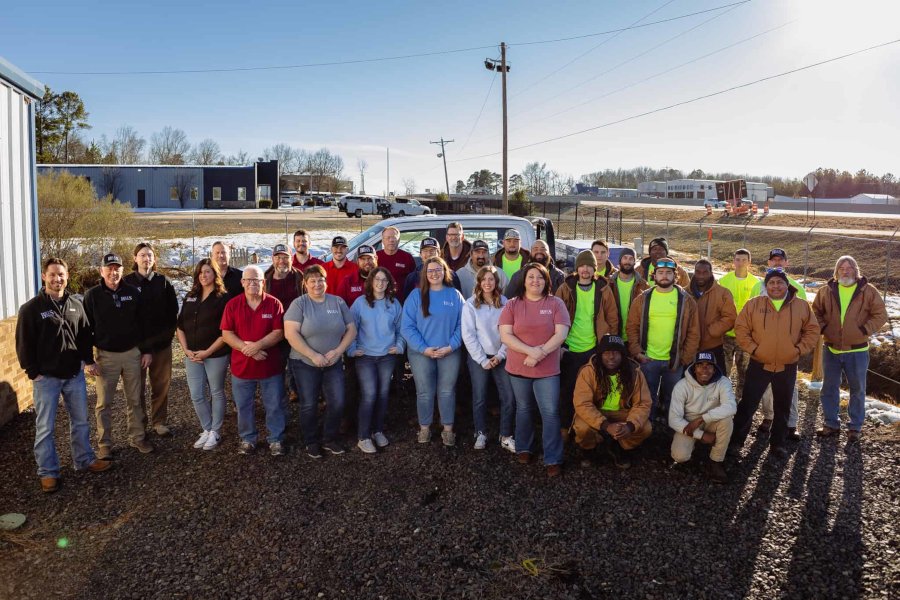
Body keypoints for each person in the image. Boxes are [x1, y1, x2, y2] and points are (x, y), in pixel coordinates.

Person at [15, 258, 111, 493]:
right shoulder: (32, 308)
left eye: (61, 275)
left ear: (67, 276)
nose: (57, 279)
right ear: (44, 277)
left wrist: (87, 361)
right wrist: (32, 372)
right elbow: (23, 342)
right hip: (46, 378)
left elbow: (84, 335)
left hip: (73, 376)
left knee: (80, 421)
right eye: (53, 275)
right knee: (45, 427)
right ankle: (48, 472)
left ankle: (84, 460)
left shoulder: (76, 304)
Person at [728, 268, 819, 460]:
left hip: (787, 365)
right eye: (771, 283)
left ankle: (777, 443)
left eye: (780, 282)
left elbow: (812, 331)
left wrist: (798, 350)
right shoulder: (754, 304)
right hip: (759, 363)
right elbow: (741, 328)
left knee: (783, 405)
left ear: (787, 285)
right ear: (766, 285)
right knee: (748, 404)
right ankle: (736, 441)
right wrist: (753, 349)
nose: (775, 286)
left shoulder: (801, 306)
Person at [499, 263, 571, 477]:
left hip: (547, 370)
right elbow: (506, 335)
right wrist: (531, 351)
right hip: (518, 368)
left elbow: (561, 334)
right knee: (524, 408)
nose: (535, 281)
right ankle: (524, 447)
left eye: (540, 277)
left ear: (546, 280)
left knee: (549, 412)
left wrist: (540, 353)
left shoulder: (556, 303)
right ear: (524, 280)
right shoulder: (512, 304)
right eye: (531, 277)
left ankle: (553, 457)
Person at [83, 253, 154, 458]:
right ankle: (105, 444)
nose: (113, 272)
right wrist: (88, 360)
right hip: (106, 357)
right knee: (104, 403)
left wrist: (146, 350)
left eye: (117, 268)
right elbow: (85, 330)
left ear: (123, 270)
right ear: (101, 271)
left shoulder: (133, 292)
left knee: (135, 400)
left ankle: (138, 437)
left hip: (132, 354)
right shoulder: (92, 296)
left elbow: (143, 324)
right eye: (109, 268)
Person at [284, 265, 357, 458]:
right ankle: (311, 441)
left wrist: (338, 351)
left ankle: (329, 438)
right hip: (305, 363)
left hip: (332, 362)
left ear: (326, 282)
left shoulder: (337, 302)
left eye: (321, 280)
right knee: (309, 403)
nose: (317, 284)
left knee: (338, 401)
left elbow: (351, 329)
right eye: (313, 281)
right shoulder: (299, 304)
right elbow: (291, 334)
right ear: (305, 284)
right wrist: (313, 355)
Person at [812, 255, 887, 442]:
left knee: (857, 389)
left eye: (849, 268)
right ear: (836, 272)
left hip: (857, 351)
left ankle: (855, 427)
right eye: (841, 268)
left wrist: (864, 330)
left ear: (856, 270)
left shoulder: (868, 291)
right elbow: (816, 312)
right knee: (829, 388)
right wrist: (824, 328)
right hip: (831, 349)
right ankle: (831, 423)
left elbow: (880, 314)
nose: (845, 271)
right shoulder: (825, 291)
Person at [220, 265, 287, 456]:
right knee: (243, 407)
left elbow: (279, 332)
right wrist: (247, 349)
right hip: (242, 368)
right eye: (248, 280)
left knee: (274, 405)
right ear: (242, 283)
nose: (252, 283)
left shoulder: (274, 304)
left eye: (256, 280)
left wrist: (257, 346)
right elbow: (226, 334)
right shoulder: (232, 305)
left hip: (270, 367)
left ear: (263, 283)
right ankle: (248, 439)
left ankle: (276, 439)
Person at [401, 257, 465, 447]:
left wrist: (451, 346)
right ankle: (425, 428)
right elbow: (407, 327)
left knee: (446, 391)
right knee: (424, 392)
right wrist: (424, 348)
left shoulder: (454, 295)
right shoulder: (415, 296)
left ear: (445, 272)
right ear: (425, 274)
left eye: (438, 270)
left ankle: (447, 429)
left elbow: (464, 324)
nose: (434, 274)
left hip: (449, 351)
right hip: (421, 353)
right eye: (430, 271)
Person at [626, 258, 700, 420]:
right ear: (654, 275)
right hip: (648, 359)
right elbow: (631, 327)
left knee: (672, 397)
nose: (664, 276)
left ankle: (670, 428)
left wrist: (684, 358)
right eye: (660, 273)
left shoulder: (687, 301)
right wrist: (637, 352)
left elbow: (694, 333)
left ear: (676, 276)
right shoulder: (643, 299)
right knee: (647, 397)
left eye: (668, 273)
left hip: (674, 361)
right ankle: (648, 426)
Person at [555, 250, 619, 438]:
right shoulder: (566, 287)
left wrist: (607, 345)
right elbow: (556, 315)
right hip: (570, 348)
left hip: (593, 347)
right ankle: (565, 426)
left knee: (593, 390)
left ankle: (590, 427)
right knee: (567, 389)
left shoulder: (603, 288)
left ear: (594, 268)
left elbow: (612, 318)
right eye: (582, 266)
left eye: (589, 266)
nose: (585, 269)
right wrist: (559, 344)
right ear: (577, 268)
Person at [572, 334, 651, 470]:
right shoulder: (589, 371)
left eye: (616, 352)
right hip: (597, 410)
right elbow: (582, 403)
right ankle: (589, 450)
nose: (611, 357)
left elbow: (643, 403)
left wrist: (630, 426)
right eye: (606, 352)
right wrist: (605, 425)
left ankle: (621, 446)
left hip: (623, 412)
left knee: (645, 428)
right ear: (600, 354)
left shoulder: (634, 372)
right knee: (582, 427)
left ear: (623, 355)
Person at [124, 242, 179, 437]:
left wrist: (166, 338)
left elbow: (173, 314)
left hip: (161, 346)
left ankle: (159, 421)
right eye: (142, 255)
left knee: (161, 385)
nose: (146, 258)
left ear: (154, 259)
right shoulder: (127, 283)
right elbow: (124, 318)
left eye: (149, 255)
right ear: (135, 258)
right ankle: (139, 426)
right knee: (136, 389)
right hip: (135, 348)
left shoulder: (163, 282)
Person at [348, 267, 405, 453]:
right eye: (377, 279)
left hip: (386, 356)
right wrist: (351, 349)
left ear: (388, 284)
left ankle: (378, 430)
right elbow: (351, 328)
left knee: (382, 394)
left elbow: (401, 328)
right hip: (365, 357)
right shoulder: (360, 303)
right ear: (371, 281)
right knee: (370, 394)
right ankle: (363, 436)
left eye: (384, 280)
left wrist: (399, 345)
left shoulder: (393, 303)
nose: (380, 283)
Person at [752, 248, 808, 438]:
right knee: (766, 386)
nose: (777, 263)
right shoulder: (757, 287)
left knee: (789, 388)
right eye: (773, 260)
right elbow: (749, 316)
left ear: (786, 263)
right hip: (764, 347)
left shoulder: (797, 288)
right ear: (768, 263)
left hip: (787, 349)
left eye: (780, 260)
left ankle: (790, 423)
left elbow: (805, 319)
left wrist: (797, 347)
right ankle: (769, 417)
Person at [176, 259, 230, 451]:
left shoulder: (223, 298)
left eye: (207, 272)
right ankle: (206, 429)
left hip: (215, 354)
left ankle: (216, 431)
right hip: (192, 356)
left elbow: (226, 332)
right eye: (200, 272)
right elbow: (180, 326)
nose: (203, 275)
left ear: (215, 274)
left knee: (216, 392)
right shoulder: (190, 296)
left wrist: (208, 352)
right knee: (197, 394)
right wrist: (186, 350)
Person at [462, 265, 515, 452]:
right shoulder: (470, 304)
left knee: (508, 397)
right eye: (483, 279)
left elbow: (510, 332)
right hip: (479, 358)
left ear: (496, 282)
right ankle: (481, 432)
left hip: (502, 356)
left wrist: (500, 355)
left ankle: (506, 435)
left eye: (491, 279)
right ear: (478, 282)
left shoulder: (506, 303)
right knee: (480, 397)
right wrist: (483, 359)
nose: (487, 283)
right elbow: (468, 335)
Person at [668, 351, 736, 483]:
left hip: (711, 421)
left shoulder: (723, 382)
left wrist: (702, 419)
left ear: (715, 368)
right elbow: (673, 419)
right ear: (694, 368)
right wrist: (701, 435)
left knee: (727, 420)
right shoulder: (682, 385)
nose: (704, 369)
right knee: (679, 456)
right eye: (700, 365)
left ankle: (716, 461)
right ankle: (695, 444)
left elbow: (731, 407)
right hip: (689, 424)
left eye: (709, 365)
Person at [717, 249, 760, 396]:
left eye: (744, 260)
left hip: (745, 335)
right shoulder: (724, 281)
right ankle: (723, 399)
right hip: (727, 334)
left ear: (749, 262)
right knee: (724, 371)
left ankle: (740, 401)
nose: (740, 263)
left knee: (745, 372)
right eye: (737, 259)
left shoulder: (756, 283)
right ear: (733, 261)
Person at [265, 243, 304, 403]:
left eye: (285, 257)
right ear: (273, 259)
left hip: (296, 329)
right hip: (274, 331)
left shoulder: (300, 277)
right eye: (278, 257)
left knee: (298, 366)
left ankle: (298, 393)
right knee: (276, 369)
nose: (282, 261)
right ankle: (278, 400)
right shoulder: (264, 280)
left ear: (291, 258)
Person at [688, 259, 737, 373]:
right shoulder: (685, 292)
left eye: (705, 272)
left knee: (716, 379)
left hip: (713, 346)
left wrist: (712, 331)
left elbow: (730, 317)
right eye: (698, 272)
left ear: (711, 273)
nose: (701, 276)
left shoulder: (723, 293)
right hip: (690, 347)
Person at [609, 248, 649, 341]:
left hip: (635, 337)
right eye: (625, 258)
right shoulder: (609, 283)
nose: (628, 261)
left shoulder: (643, 285)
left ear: (635, 262)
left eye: (631, 259)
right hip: (614, 335)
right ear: (620, 260)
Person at [376, 226, 416, 292]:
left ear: (399, 240)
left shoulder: (407, 257)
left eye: (394, 237)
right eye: (388, 238)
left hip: (402, 300)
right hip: (380, 298)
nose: (391, 240)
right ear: (382, 240)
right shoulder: (376, 257)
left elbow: (413, 281)